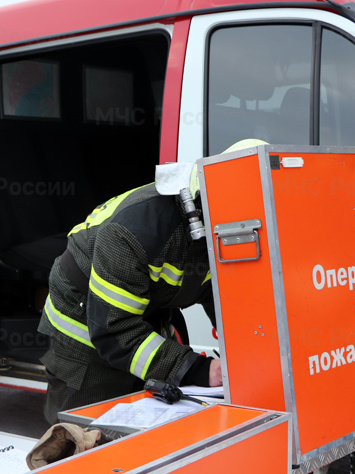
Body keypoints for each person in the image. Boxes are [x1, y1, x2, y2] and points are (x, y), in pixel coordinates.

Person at [37, 141, 266, 423]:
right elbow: (115, 330)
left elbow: (221, 291)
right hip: (84, 321)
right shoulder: (132, 233)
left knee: (149, 421)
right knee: (88, 429)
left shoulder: (232, 226)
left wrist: (250, 349)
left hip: (144, 309)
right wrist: (200, 370)